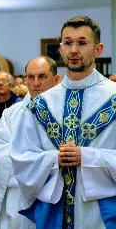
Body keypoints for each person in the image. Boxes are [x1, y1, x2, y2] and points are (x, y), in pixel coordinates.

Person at [10, 16, 116, 229]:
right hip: (53, 212)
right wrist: (53, 159)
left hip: (101, 213)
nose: (74, 50)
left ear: (98, 49)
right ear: (61, 48)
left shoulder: (113, 98)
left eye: (82, 43)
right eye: (68, 43)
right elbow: (21, 157)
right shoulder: (39, 105)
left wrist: (87, 156)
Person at [0, 56, 60, 229]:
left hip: (55, 195)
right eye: (31, 77)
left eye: (42, 77)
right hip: (18, 196)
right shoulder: (11, 114)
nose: (35, 83)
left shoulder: (67, 115)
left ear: (56, 80)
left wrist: (25, 160)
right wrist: (48, 161)